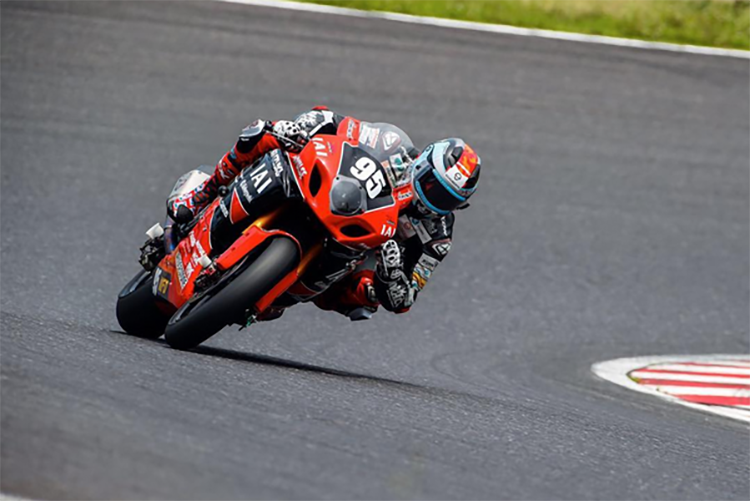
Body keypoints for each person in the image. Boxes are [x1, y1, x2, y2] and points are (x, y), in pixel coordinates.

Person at [166, 107, 481, 319]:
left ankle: (274, 294)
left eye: (447, 200)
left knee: (366, 299)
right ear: (423, 163)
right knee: (267, 134)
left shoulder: (437, 237)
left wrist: (392, 274)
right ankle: (204, 192)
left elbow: (405, 299)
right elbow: (327, 118)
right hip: (331, 196)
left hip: (351, 249)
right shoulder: (392, 143)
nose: (434, 200)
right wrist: (300, 128)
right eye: (433, 185)